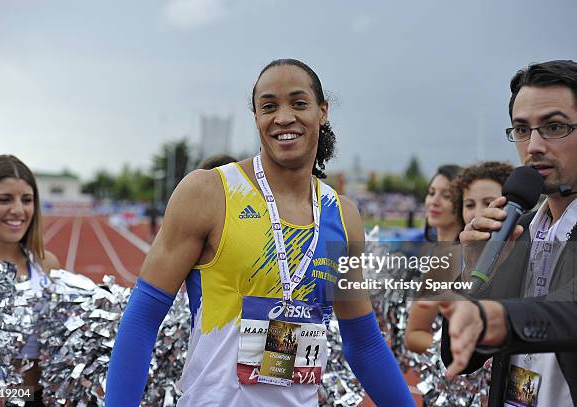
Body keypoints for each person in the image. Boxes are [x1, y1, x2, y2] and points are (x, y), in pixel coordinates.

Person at [106, 59, 414, 406]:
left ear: (322, 111)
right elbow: (142, 320)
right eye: (269, 106)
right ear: (256, 117)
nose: (283, 117)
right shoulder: (210, 193)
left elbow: (364, 341)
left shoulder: (342, 216)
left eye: (299, 103)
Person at [428, 60, 577, 406]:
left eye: (554, 127)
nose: (534, 146)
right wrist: (473, 272)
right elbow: (458, 358)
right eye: (522, 130)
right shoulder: (513, 230)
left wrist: (499, 317)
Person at [0, 154, 61, 407]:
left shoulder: (46, 263)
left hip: (39, 399)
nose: (18, 210)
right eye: (4, 199)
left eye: (27, 200)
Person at [405, 164, 463, 353]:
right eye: (431, 193)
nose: (434, 201)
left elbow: (414, 335)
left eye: (446, 196)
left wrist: (461, 352)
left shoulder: (454, 257)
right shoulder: (433, 252)